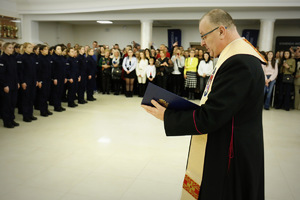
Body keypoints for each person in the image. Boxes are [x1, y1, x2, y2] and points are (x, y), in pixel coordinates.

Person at [142, 9, 265, 200]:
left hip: (231, 154)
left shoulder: (238, 62)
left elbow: (211, 117)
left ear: (221, 31)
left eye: (204, 36)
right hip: (234, 142)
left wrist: (167, 115)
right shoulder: (238, 57)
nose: (202, 43)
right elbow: (220, 107)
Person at [0, 42, 20, 128]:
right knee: (6, 104)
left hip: (14, 84)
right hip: (6, 85)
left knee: (12, 103)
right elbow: (1, 74)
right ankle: (7, 121)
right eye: (9, 48)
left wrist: (18, 82)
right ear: (4, 49)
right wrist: (4, 85)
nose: (11, 49)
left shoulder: (13, 58)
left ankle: (12, 119)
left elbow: (16, 72)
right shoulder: (2, 59)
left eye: (12, 48)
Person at [19, 43, 39, 122]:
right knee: (26, 99)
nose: (31, 49)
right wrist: (23, 82)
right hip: (26, 81)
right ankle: (25, 116)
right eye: (29, 47)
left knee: (31, 98)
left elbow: (35, 71)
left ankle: (30, 114)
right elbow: (21, 71)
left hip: (33, 80)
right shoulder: (22, 58)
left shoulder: (33, 57)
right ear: (24, 48)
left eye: (31, 47)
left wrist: (36, 80)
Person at [37, 45, 53, 116]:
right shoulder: (39, 58)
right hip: (42, 80)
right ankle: (42, 111)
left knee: (46, 95)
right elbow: (38, 71)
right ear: (41, 51)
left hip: (48, 79)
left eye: (47, 49)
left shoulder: (48, 58)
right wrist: (39, 81)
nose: (47, 50)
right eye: (45, 49)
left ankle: (46, 109)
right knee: (42, 96)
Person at [51, 45, 67, 112]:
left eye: (60, 49)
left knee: (60, 92)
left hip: (62, 77)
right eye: (58, 49)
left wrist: (65, 77)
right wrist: (54, 78)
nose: (59, 50)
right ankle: (56, 106)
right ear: (55, 50)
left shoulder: (62, 57)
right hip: (56, 78)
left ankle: (59, 105)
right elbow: (53, 69)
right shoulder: (53, 58)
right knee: (56, 92)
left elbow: (64, 68)